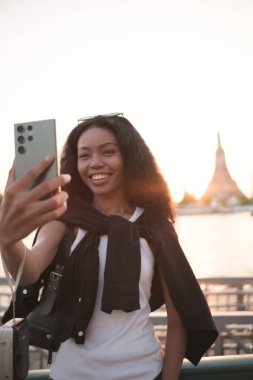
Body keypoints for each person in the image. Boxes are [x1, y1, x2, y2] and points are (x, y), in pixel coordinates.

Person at [0, 114, 218, 380]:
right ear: (74, 163)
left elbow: (178, 319)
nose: (95, 163)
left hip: (142, 373)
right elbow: (29, 271)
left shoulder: (154, 227)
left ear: (128, 156)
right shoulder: (65, 219)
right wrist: (7, 239)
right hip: (71, 375)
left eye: (108, 152)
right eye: (85, 155)